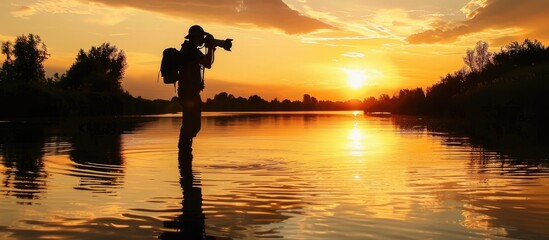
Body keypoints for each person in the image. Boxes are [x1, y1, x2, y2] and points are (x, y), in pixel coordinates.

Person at [178, 25, 216, 151]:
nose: (202, 40)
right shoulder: (191, 51)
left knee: (191, 125)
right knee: (192, 125)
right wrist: (210, 48)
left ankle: (185, 154)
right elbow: (207, 63)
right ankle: (184, 150)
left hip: (188, 93)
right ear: (195, 38)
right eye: (201, 37)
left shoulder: (188, 49)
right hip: (189, 94)